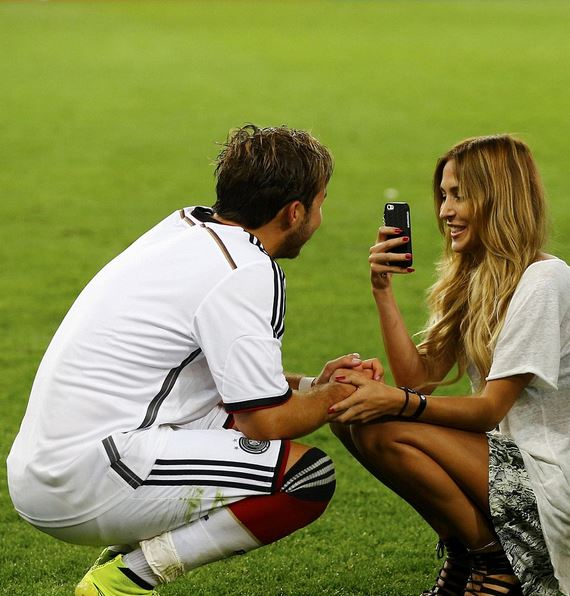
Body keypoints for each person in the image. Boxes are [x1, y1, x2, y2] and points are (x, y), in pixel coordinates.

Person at [7, 124, 379, 596]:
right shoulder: (244, 269)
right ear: (294, 212)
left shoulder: (183, 227)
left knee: (237, 423)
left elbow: (223, 380)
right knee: (304, 477)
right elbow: (265, 421)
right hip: (84, 477)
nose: (320, 217)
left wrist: (312, 387)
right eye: (321, 202)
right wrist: (339, 395)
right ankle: (126, 578)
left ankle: (124, 558)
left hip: (47, 464)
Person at [329, 134, 569, 596]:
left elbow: (490, 409)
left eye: (459, 195)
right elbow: (419, 380)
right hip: (507, 463)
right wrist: (382, 291)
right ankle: (469, 553)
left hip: (549, 478)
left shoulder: (544, 281)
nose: (445, 211)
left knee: (385, 425)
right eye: (443, 196)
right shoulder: (476, 274)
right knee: (350, 413)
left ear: (499, 198)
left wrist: (395, 401)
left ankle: (493, 561)